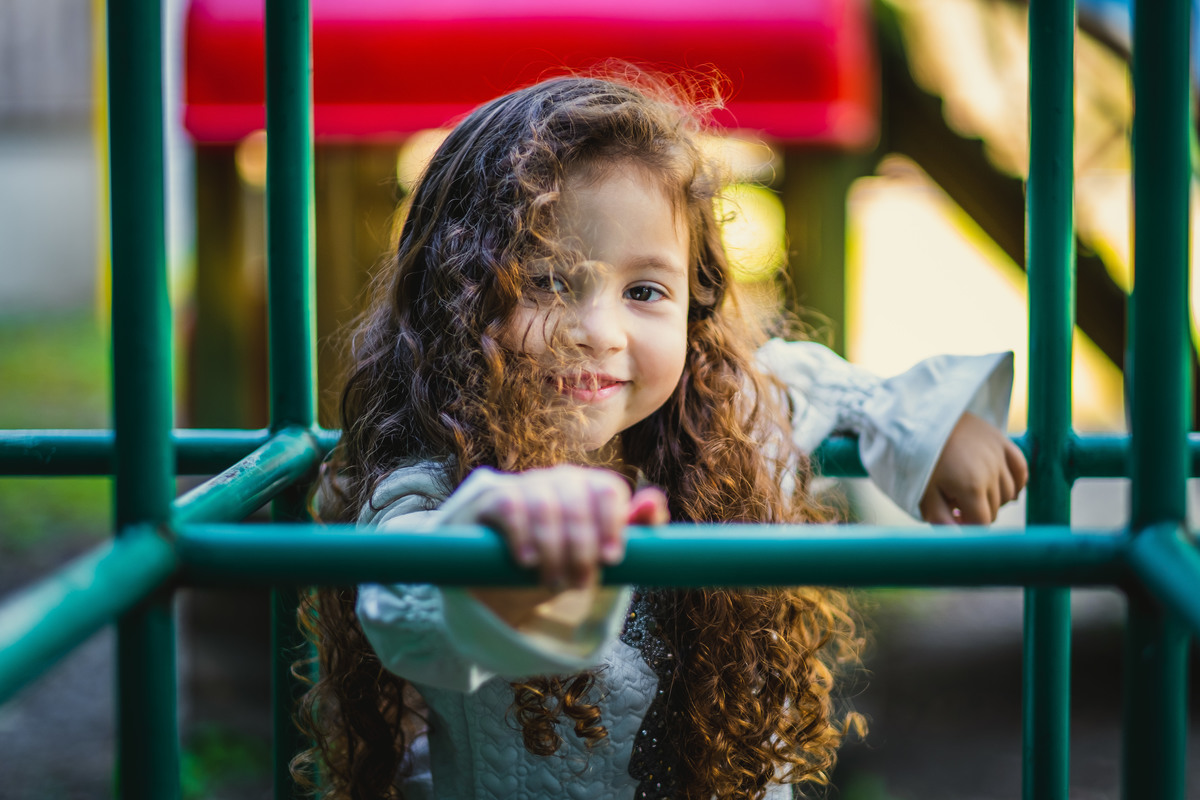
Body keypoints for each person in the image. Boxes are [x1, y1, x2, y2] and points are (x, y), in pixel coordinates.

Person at [294, 74, 1028, 800]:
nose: (600, 333)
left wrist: (931, 428)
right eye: (546, 281)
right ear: (455, 302)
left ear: (692, 308)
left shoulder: (722, 419)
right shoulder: (430, 480)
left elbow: (809, 378)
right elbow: (408, 601)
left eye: (644, 292)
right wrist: (502, 548)